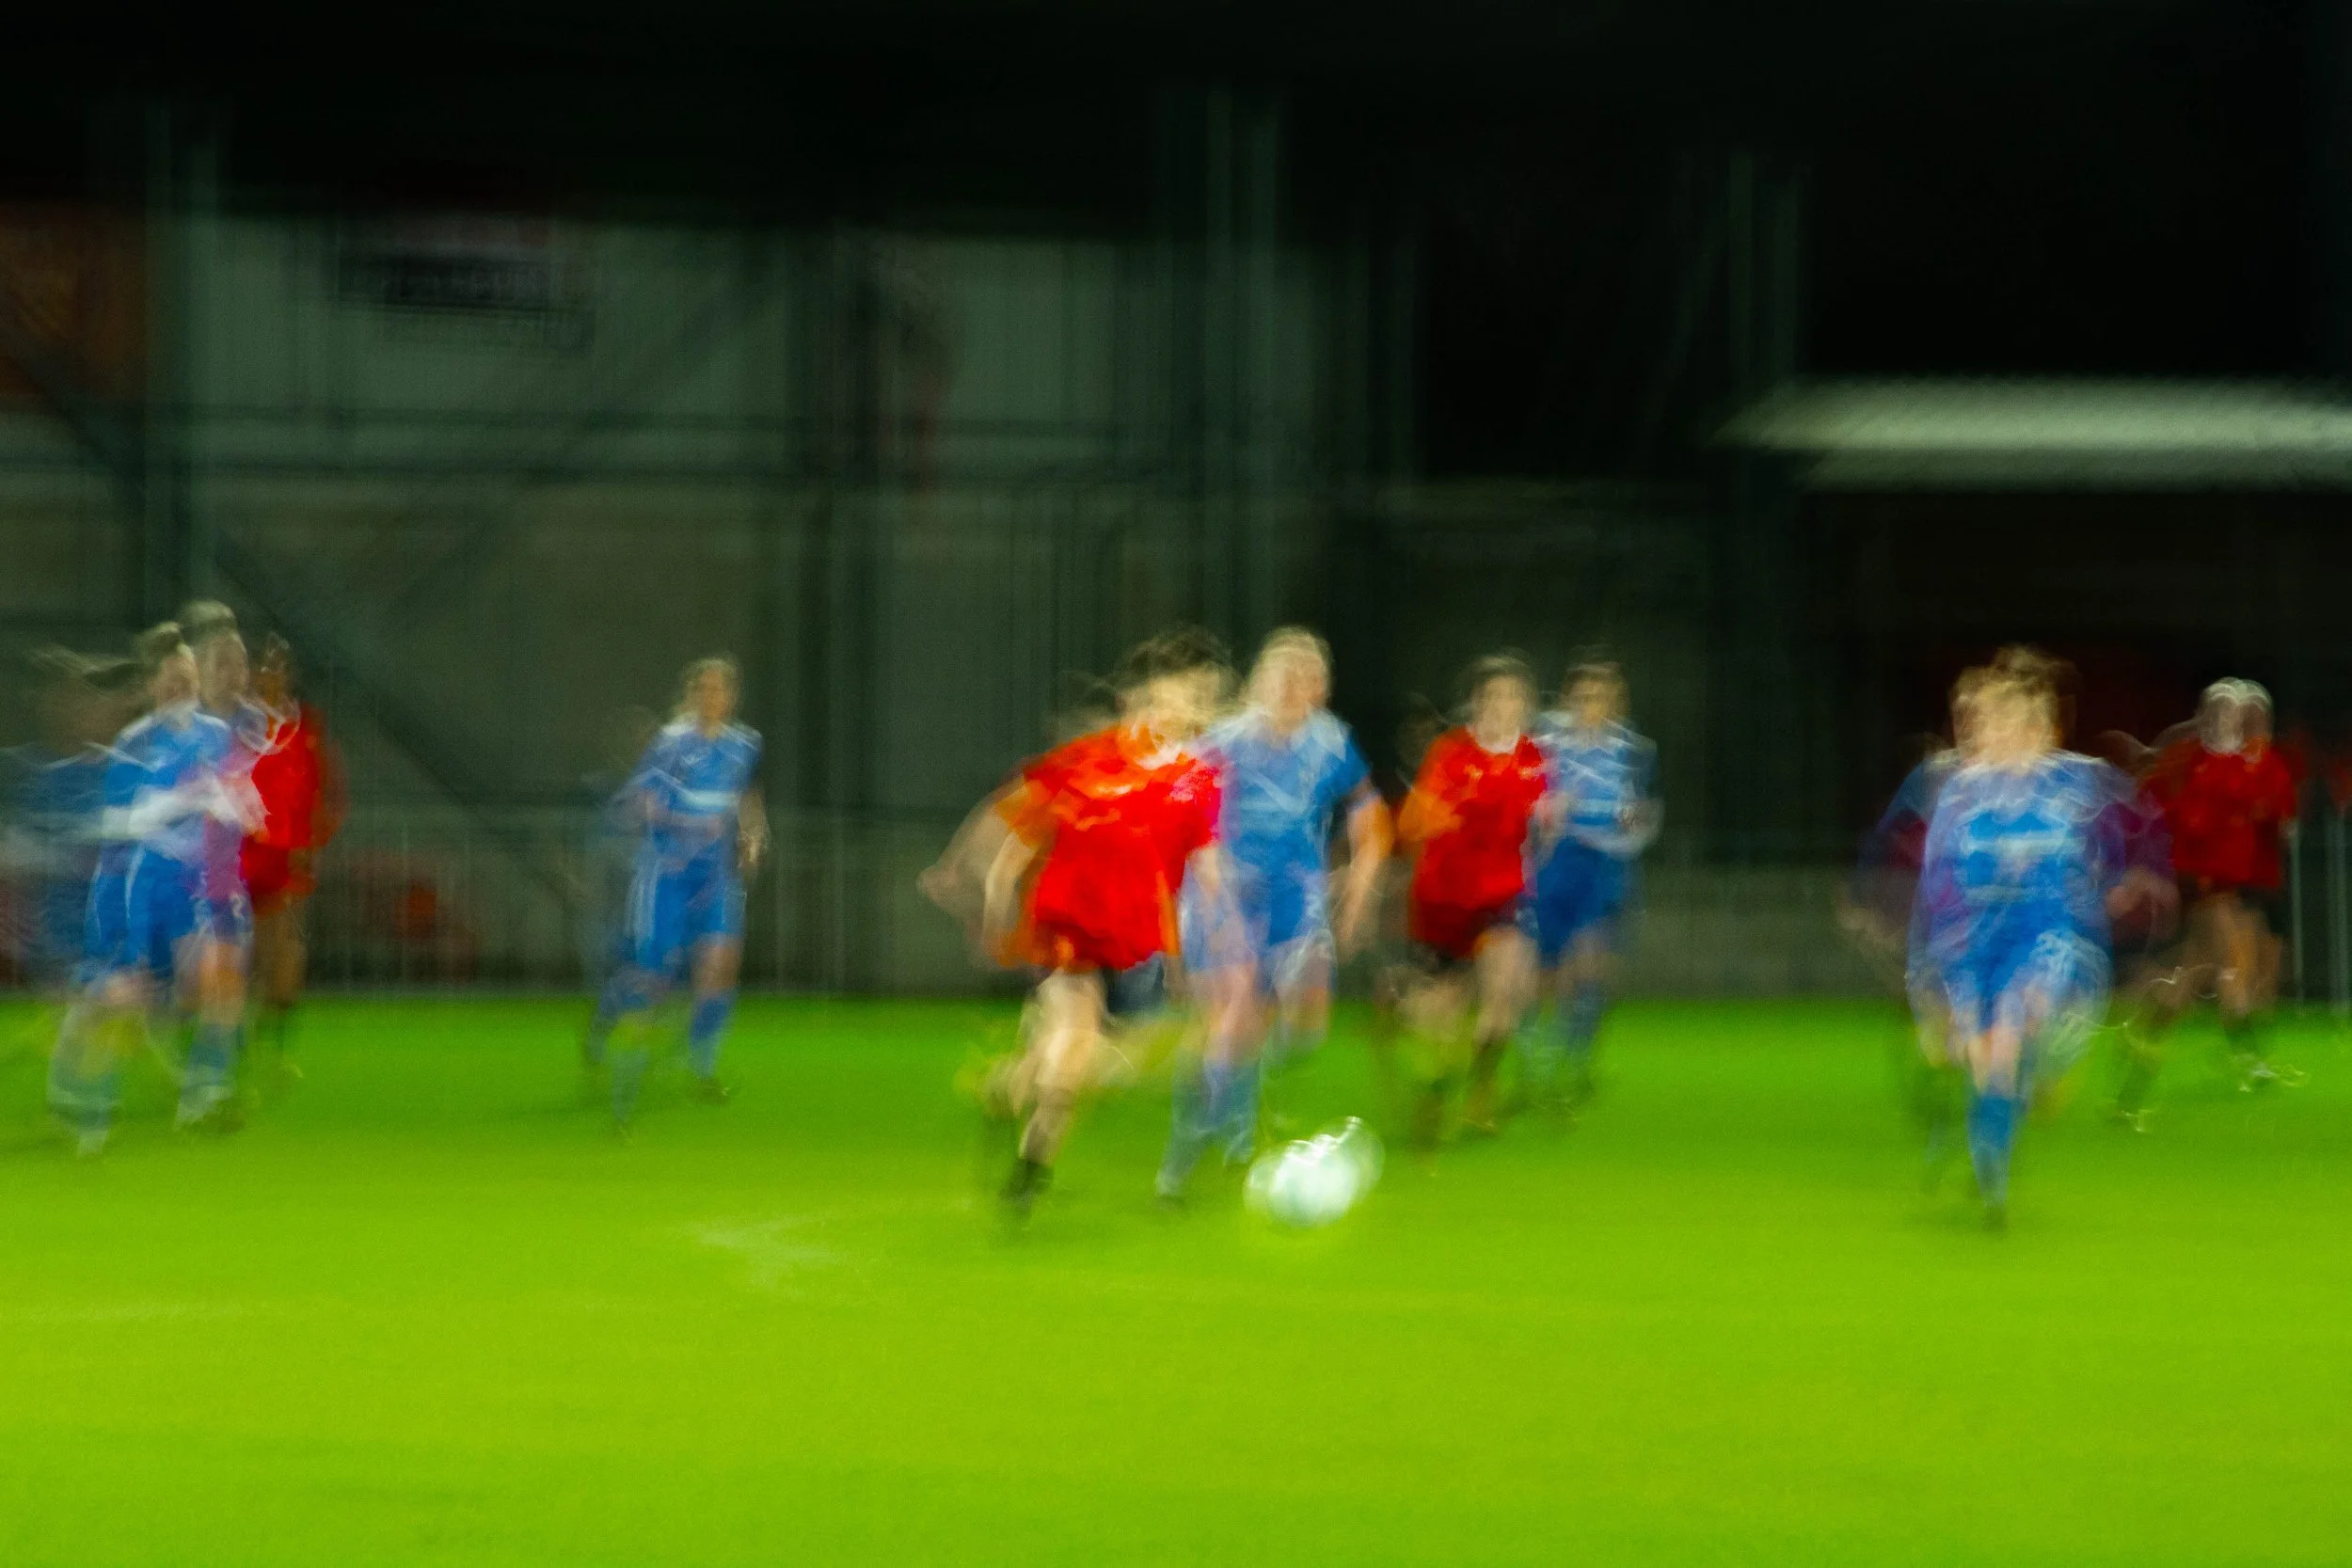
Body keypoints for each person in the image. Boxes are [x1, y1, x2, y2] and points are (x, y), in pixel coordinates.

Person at [979, 628, 1229, 1220]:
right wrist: (997, 887)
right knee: (1076, 1045)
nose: (1171, 711)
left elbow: (1207, 859)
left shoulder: (1195, 777)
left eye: (1183, 700)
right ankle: (1029, 1172)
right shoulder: (1089, 759)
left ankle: (1008, 1082)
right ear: (1134, 701)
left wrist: (1217, 930)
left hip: (1136, 940)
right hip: (1068, 930)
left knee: (1092, 1063)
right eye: (1158, 699)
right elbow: (1027, 828)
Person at [1915, 653, 2161, 1227]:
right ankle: (1986, 1138)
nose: (1997, 737)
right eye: (1987, 726)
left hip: (2040, 932)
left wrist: (2126, 881)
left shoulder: (2071, 784)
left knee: (2008, 1036)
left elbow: (2131, 823)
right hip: (1972, 941)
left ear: (2036, 731)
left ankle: (1995, 1170)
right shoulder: (1960, 795)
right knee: (1983, 1058)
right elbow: (1938, 882)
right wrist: (1926, 974)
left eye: (2012, 726)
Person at [1154, 628, 1389, 1203]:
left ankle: (1235, 1114)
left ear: (1321, 688)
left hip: (1295, 896)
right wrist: (1199, 897)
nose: (1289, 688)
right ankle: (1185, 1154)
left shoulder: (1332, 744)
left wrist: (1360, 882)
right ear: (1258, 682)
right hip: (1224, 890)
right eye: (1279, 676)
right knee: (1232, 1015)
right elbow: (1181, 816)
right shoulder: (1224, 742)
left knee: (1303, 1022)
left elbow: (1367, 808)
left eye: (1304, 678)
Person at [48, 623, 259, 1153]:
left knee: (219, 974)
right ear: (151, 686)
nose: (180, 685)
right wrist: (184, 800)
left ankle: (204, 1091)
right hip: (134, 886)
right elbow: (121, 824)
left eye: (186, 675)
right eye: (170, 678)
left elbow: (240, 799)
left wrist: (234, 804)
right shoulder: (134, 744)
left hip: (192, 888)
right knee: (126, 1000)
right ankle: (85, 1099)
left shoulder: (215, 736)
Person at [584, 657, 767, 1135]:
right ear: (691, 695)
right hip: (667, 876)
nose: (713, 698)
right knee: (654, 979)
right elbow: (643, 804)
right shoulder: (670, 745)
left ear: (731, 697)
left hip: (715, 878)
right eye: (704, 689)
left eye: (721, 690)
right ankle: (611, 1031)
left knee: (720, 965)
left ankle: (701, 1068)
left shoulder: (742, 744)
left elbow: (744, 793)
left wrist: (752, 834)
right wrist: (688, 823)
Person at [1395, 654, 1549, 1143]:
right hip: (1444, 900)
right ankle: (1435, 1090)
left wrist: (1553, 817)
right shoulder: (1451, 754)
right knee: (1443, 1011)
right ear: (1478, 703)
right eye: (1496, 696)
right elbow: (1419, 821)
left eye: (1515, 698)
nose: (1506, 706)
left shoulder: (1533, 758)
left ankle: (1481, 1091)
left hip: (1502, 896)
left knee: (1506, 988)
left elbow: (1544, 813)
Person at [1519, 659, 1658, 1117]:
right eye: (1583, 696)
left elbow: (1645, 809)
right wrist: (1545, 811)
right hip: (1555, 861)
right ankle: (1533, 1051)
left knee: (1593, 961)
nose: (1592, 705)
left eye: (1601, 696)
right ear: (1569, 699)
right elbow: (1524, 798)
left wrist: (1630, 821)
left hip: (1606, 863)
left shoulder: (1633, 749)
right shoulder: (1547, 744)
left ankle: (1575, 1059)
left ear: (1616, 702)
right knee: (1547, 965)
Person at [244, 635, 345, 1079]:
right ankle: (217, 1049)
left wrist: (313, 841)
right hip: (233, 856)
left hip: (285, 861)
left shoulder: (308, 731)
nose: (271, 675)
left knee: (283, 952)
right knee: (226, 955)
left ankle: (273, 1048)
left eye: (278, 666)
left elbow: (329, 793)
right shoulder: (231, 726)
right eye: (263, 666)